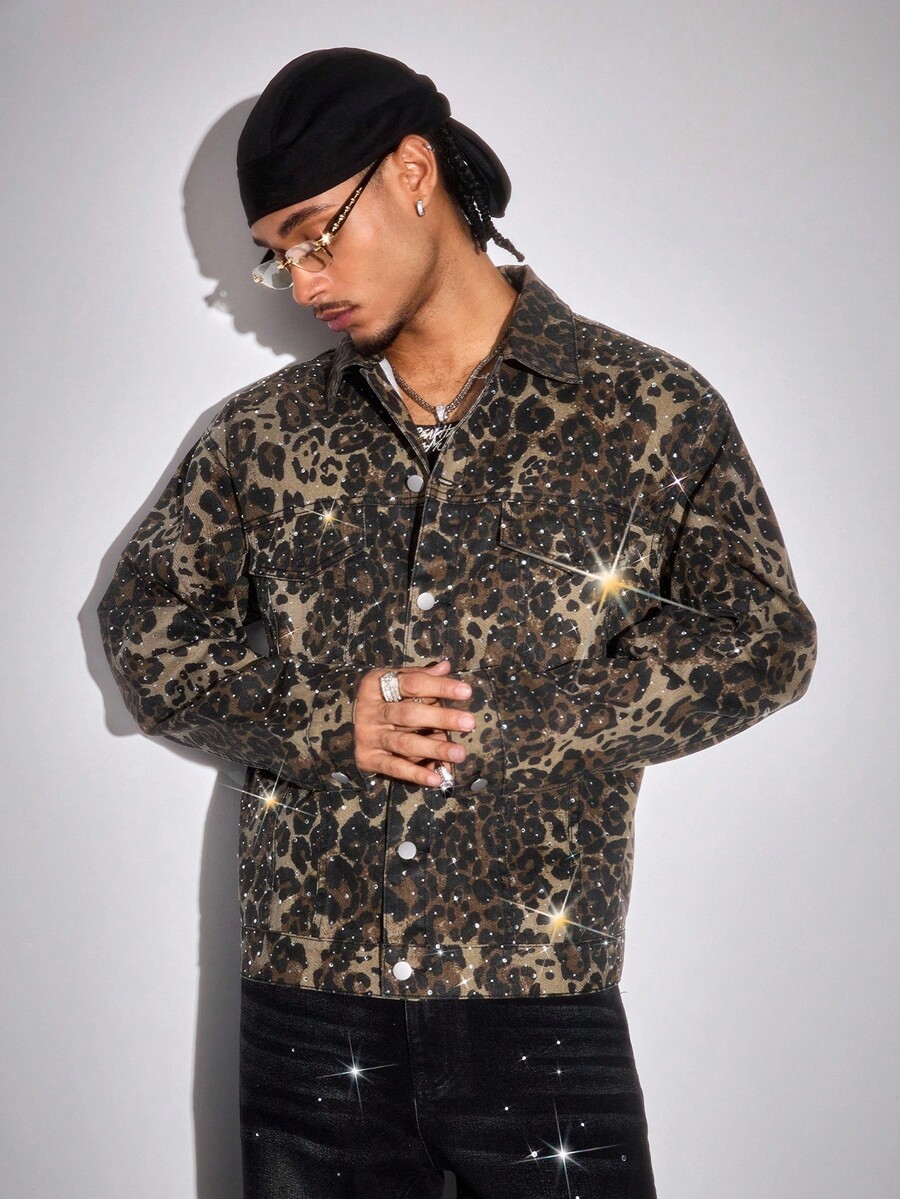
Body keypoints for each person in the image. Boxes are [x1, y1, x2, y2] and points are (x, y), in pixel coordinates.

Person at [97, 47, 818, 1199]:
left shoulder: (643, 412)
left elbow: (764, 637)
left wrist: (523, 721)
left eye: (315, 234)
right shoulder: (261, 437)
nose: (300, 281)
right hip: (310, 1017)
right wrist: (326, 718)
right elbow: (144, 624)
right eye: (276, 255)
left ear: (413, 170)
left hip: (539, 1006)